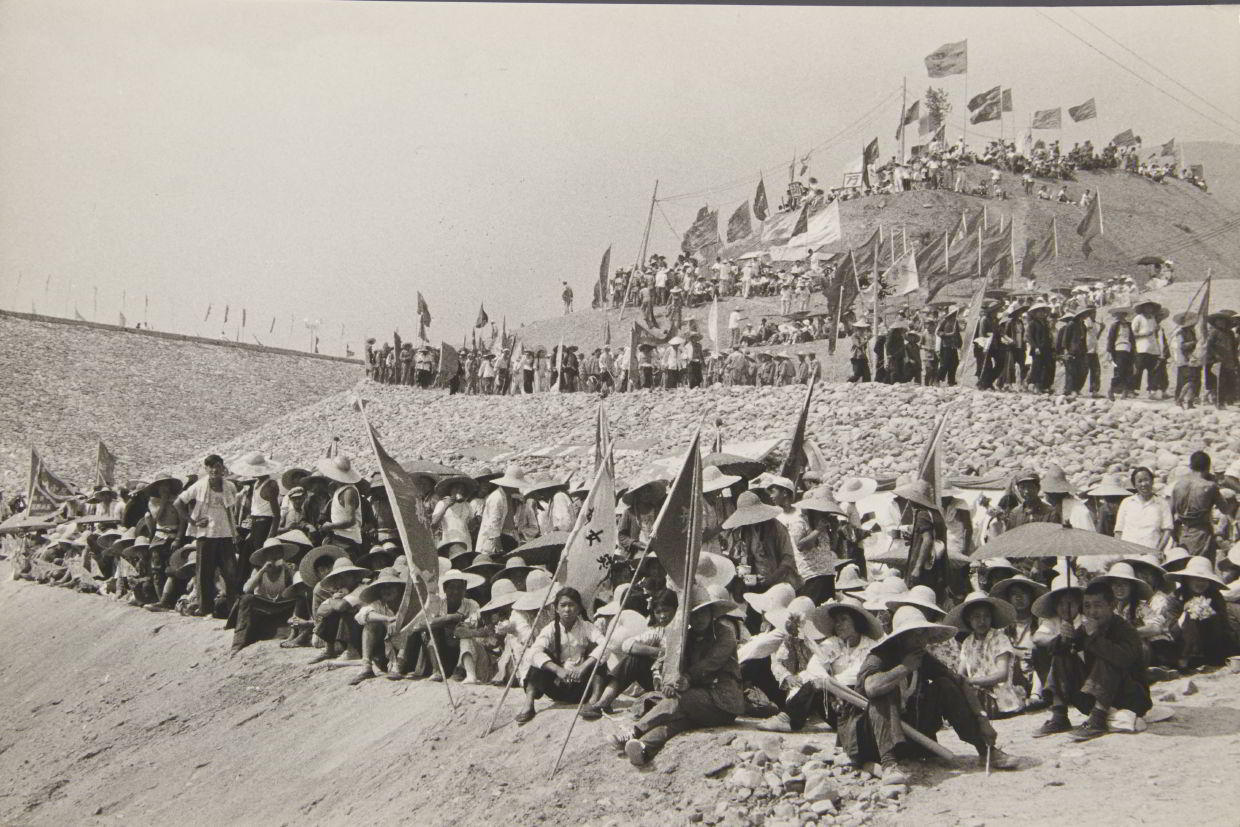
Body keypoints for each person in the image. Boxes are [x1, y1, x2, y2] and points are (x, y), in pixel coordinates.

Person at [847, 605, 1020, 783]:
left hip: (911, 734)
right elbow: (871, 688)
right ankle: (888, 764)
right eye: (916, 634)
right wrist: (904, 668)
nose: (922, 640)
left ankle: (985, 750)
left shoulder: (920, 656)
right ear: (901, 637)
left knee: (945, 685)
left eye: (924, 634)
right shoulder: (879, 656)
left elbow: (960, 681)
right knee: (884, 690)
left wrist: (982, 718)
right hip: (872, 740)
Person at [612, 583, 745, 767]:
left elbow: (711, 663)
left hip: (723, 704)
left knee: (681, 700)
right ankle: (644, 747)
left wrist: (687, 679)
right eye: (694, 615)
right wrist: (669, 683)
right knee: (680, 721)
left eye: (703, 613)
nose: (699, 619)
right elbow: (673, 663)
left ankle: (635, 731)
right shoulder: (686, 638)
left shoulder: (725, 634)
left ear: (711, 613)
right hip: (697, 703)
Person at [1032, 578, 1151, 740]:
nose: (1092, 612)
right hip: (1097, 696)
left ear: (1112, 605)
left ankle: (1097, 721)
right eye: (1087, 606)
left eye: (1098, 605)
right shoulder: (1086, 627)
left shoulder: (1125, 629)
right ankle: (1059, 716)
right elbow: (1060, 650)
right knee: (1062, 652)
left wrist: (1094, 636)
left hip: (1130, 698)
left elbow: (1123, 659)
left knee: (1109, 655)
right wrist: (1065, 638)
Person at [519, 586, 604, 724]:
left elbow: (606, 645)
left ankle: (594, 702)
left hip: (583, 687)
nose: (567, 609)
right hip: (558, 687)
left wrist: (583, 667)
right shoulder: (550, 629)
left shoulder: (587, 627)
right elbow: (533, 653)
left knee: (598, 654)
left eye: (571, 605)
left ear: (579, 608)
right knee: (539, 656)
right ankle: (528, 704)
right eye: (563, 605)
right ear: (556, 609)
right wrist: (558, 670)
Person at [174, 454, 240, 617]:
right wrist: (193, 522)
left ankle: (233, 608)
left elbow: (230, 511)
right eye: (210, 466)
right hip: (206, 535)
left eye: (217, 466)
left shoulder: (230, 486)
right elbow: (178, 503)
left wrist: (234, 532)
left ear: (222, 468)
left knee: (230, 572)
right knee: (204, 572)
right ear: (206, 468)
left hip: (225, 534)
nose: (214, 470)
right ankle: (205, 609)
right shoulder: (199, 486)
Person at [947, 592, 1026, 717]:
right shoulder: (967, 642)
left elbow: (1002, 675)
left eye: (986, 616)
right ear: (968, 619)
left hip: (999, 694)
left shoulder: (999, 639)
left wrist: (972, 681)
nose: (982, 621)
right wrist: (961, 680)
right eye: (976, 617)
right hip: (975, 691)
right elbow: (961, 672)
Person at [228, 537, 297, 653]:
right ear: (265, 556)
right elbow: (246, 589)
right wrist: (262, 570)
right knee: (246, 599)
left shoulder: (287, 570)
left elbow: (297, 587)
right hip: (262, 607)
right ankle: (238, 644)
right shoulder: (258, 570)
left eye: (278, 552)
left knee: (298, 600)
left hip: (280, 606)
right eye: (271, 553)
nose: (275, 556)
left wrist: (288, 569)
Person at [1169, 556, 1237, 669]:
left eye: (1204, 579)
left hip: (1213, 646)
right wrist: (1186, 614)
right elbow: (1172, 632)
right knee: (1190, 617)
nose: (1200, 583)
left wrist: (1211, 614)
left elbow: (1225, 626)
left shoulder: (1215, 597)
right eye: (1196, 578)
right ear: (1187, 579)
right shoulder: (1176, 598)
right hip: (1183, 647)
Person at [1171, 450, 1227, 560]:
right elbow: (1225, 509)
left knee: (1184, 563)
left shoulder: (1178, 484)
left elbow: (1170, 512)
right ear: (1208, 467)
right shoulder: (1210, 486)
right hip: (1202, 534)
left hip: (1182, 532)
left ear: (1191, 466)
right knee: (1202, 564)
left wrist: (1174, 533)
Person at [1114, 467, 1173, 552]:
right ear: (1134, 485)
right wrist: (1119, 550)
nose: (1144, 484)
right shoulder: (1127, 502)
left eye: (1146, 480)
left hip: (1151, 552)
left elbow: (1167, 530)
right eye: (1139, 481)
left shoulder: (1162, 503)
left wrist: (1158, 551)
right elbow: (1118, 531)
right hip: (1127, 551)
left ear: (1152, 481)